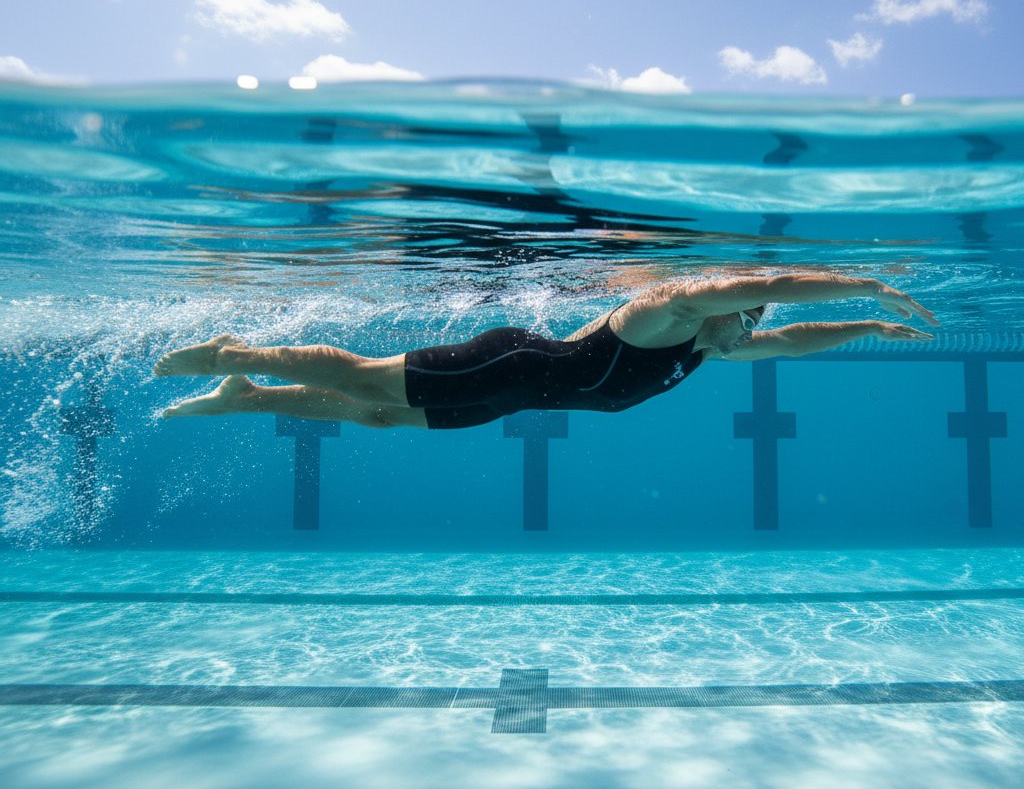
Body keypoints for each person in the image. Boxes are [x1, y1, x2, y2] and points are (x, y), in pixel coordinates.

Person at [155, 271, 937, 430]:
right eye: (745, 318)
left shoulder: (712, 350)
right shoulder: (667, 315)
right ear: (727, 307)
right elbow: (772, 285)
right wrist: (864, 287)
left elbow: (793, 342)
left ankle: (250, 395)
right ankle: (237, 351)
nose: (747, 334)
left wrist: (863, 330)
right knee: (365, 379)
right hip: (511, 366)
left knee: (380, 420)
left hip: (513, 401)